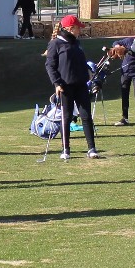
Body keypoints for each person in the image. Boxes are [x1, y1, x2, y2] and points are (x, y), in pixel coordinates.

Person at [45, 14, 102, 159]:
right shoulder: (55, 44)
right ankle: (66, 149)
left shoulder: (76, 43)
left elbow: (80, 63)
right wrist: (57, 83)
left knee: (86, 116)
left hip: (81, 85)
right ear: (70, 28)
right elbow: (50, 66)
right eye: (78, 28)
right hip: (65, 87)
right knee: (67, 117)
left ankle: (92, 149)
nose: (79, 31)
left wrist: (88, 74)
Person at [108, 31, 135, 126]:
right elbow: (115, 42)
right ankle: (125, 118)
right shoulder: (129, 40)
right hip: (125, 71)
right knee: (124, 94)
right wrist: (117, 47)